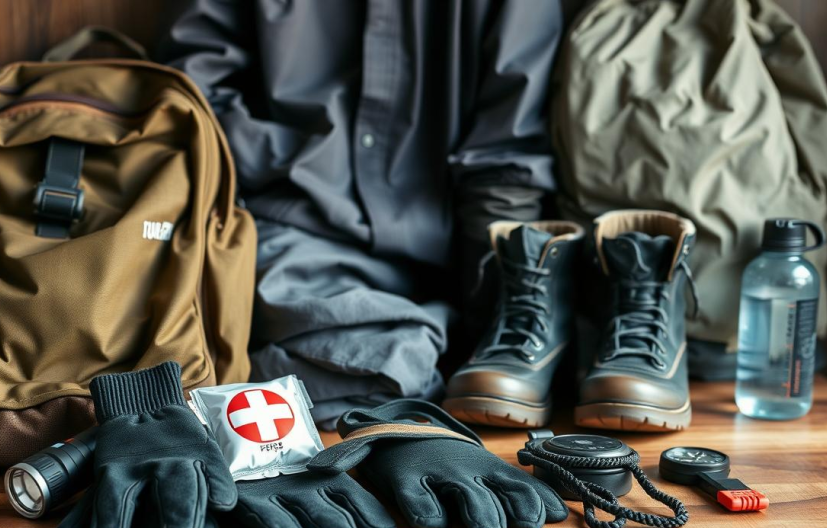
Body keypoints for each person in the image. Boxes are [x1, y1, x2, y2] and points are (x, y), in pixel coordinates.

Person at [162, 0, 563, 428]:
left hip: (453, 256)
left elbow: (508, 157)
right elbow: (193, 87)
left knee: (398, 371)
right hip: (291, 232)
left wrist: (487, 319)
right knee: (360, 364)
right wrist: (276, 161)